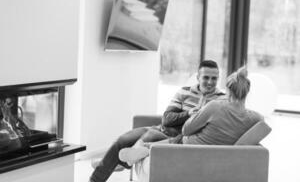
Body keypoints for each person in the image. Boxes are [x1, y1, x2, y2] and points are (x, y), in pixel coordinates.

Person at [89, 60, 226, 182]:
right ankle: (96, 178)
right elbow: (166, 118)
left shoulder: (221, 100)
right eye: (206, 77)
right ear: (198, 77)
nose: (210, 82)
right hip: (160, 128)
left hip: (175, 137)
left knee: (148, 137)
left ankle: (117, 162)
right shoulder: (184, 92)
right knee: (122, 140)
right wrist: (188, 113)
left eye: (214, 78)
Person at [118, 66, 264, 165]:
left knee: (177, 138)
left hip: (190, 147)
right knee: (164, 137)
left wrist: (197, 114)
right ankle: (143, 149)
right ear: (247, 92)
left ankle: (145, 149)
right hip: (219, 155)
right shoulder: (257, 118)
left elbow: (186, 130)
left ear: (228, 90)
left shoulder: (215, 106)